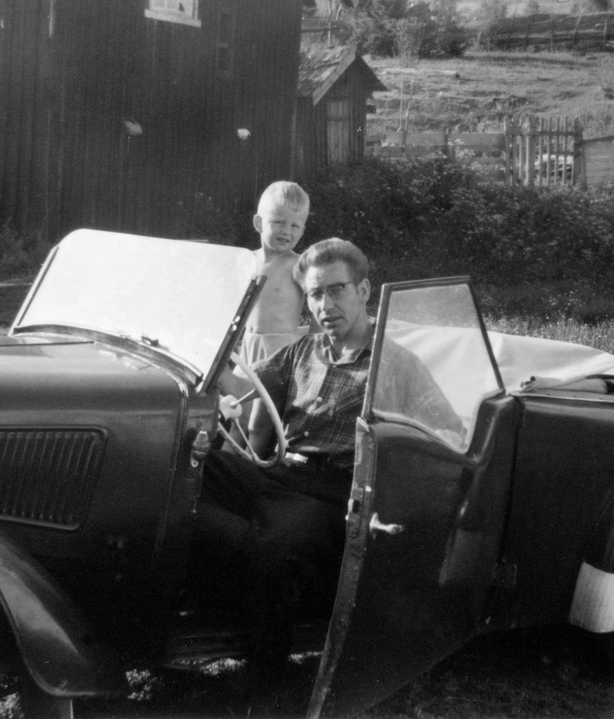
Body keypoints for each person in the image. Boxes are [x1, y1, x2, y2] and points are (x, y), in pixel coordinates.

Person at [195, 238, 463, 709]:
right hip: (281, 473)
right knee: (190, 468)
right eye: (315, 294)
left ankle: (265, 682)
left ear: (364, 290)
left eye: (336, 291)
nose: (325, 305)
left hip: (336, 492)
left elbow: (446, 432)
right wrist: (207, 356)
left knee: (276, 547)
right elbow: (242, 384)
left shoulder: (393, 362)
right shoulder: (304, 350)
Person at [241, 181, 312, 436]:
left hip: (279, 350)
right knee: (238, 411)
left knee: (260, 420)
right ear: (259, 223)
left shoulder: (298, 265)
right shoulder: (247, 261)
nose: (287, 231)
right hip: (248, 346)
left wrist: (314, 347)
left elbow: (316, 305)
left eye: (295, 225)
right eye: (279, 222)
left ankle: (256, 464)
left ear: (303, 230)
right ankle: (233, 461)